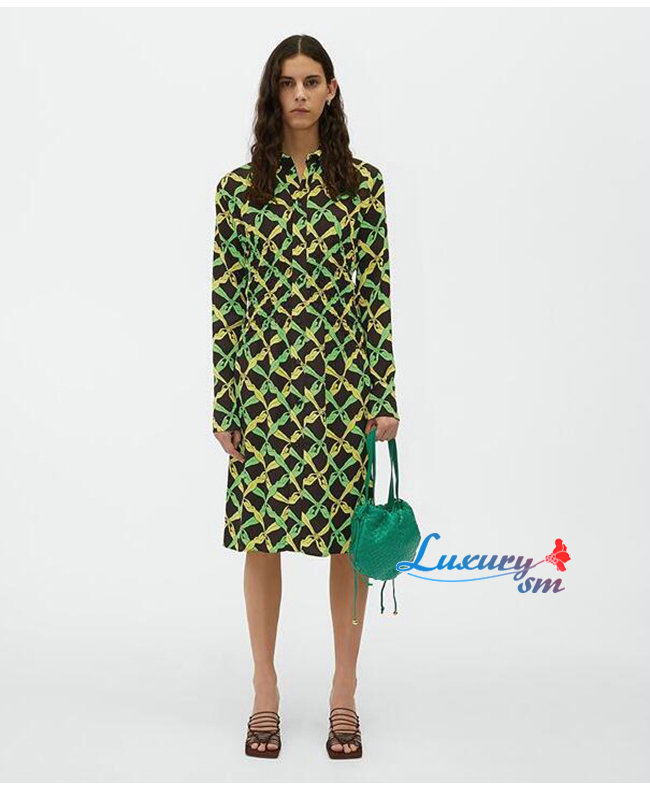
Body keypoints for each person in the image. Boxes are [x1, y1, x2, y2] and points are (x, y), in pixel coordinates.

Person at [211, 34, 400, 760]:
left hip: (341, 388)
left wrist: (383, 392)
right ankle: (265, 691)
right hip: (262, 388)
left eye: (311, 81)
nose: (299, 94)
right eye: (287, 82)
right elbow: (228, 301)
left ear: (331, 89)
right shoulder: (238, 190)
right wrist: (226, 401)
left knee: (348, 539)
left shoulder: (363, 186)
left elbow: (375, 296)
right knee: (261, 537)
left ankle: (343, 692)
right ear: (273, 92)